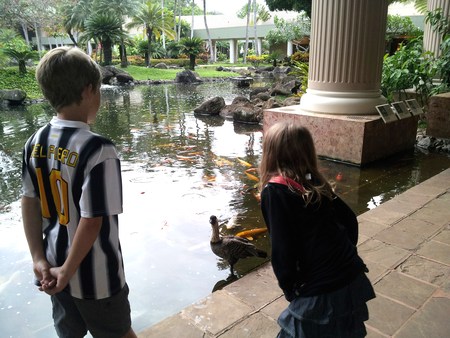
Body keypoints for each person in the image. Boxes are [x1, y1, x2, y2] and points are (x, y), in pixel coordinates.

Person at [21, 46, 137, 338]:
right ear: (88, 91)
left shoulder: (35, 141)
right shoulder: (99, 150)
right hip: (96, 279)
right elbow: (92, 220)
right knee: (119, 333)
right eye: (98, 90)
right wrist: (69, 271)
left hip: (53, 266)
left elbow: (29, 201)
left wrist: (38, 258)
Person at [259, 121, 375, 338]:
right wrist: (343, 253)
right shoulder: (313, 181)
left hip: (321, 288)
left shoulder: (275, 191)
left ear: (270, 154)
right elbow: (350, 221)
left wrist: (290, 288)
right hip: (351, 274)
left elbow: (282, 250)